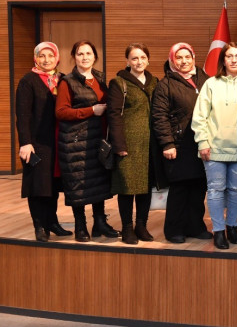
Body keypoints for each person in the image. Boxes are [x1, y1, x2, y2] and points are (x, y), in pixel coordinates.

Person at [55, 40, 117, 242]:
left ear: (95, 57)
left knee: (98, 182)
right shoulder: (68, 81)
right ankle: (81, 226)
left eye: (88, 53)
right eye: (80, 54)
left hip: (97, 139)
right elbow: (61, 112)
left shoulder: (100, 79)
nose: (85, 57)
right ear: (74, 57)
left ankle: (100, 223)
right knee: (78, 185)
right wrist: (91, 110)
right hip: (76, 143)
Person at [151, 43, 211, 244]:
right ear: (172, 60)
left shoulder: (205, 79)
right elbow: (159, 117)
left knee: (198, 188)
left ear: (194, 57)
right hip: (177, 146)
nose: (184, 61)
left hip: (201, 143)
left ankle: (195, 227)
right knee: (180, 189)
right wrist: (167, 143)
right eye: (179, 57)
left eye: (188, 57)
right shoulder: (165, 85)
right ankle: (174, 229)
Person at [192, 42, 237, 250]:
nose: (234, 60)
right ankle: (218, 230)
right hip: (214, 148)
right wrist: (203, 142)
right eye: (229, 56)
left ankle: (232, 226)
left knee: (235, 190)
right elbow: (200, 117)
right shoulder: (211, 84)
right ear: (223, 60)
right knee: (215, 190)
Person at [15, 41, 71, 242]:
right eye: (42, 56)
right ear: (35, 58)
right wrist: (25, 142)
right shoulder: (28, 81)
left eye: (50, 56)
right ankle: (39, 226)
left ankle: (52, 222)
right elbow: (22, 115)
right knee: (38, 186)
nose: (46, 60)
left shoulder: (63, 79)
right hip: (37, 143)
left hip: (58, 141)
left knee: (54, 185)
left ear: (57, 58)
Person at [106, 43, 158, 245]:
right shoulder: (118, 83)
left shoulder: (154, 81)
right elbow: (114, 116)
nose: (139, 62)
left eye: (142, 57)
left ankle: (141, 225)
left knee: (145, 187)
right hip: (127, 143)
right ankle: (127, 228)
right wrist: (119, 146)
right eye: (134, 58)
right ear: (127, 61)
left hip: (149, 144)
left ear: (148, 59)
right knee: (127, 188)